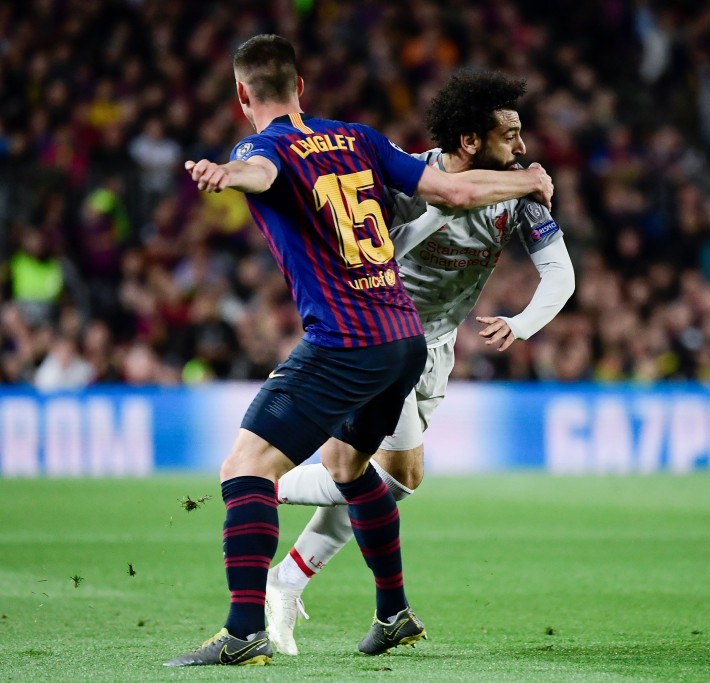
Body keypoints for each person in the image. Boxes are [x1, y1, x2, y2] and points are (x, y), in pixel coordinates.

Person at [165, 35, 553, 667]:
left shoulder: (262, 147)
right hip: (403, 336)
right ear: (301, 87)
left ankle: (241, 632)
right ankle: (393, 614)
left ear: (242, 95)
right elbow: (451, 191)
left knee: (244, 469)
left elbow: (260, 173)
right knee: (349, 469)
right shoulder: (358, 137)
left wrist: (227, 173)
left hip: (345, 342)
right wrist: (524, 182)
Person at [262, 70, 575, 656]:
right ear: (469, 141)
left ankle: (286, 570)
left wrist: (521, 323)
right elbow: (371, 236)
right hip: (380, 333)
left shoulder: (518, 199)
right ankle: (262, 487)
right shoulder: (405, 174)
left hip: (436, 345)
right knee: (377, 473)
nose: (524, 148)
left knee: (389, 479)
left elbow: (561, 274)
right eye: (509, 135)